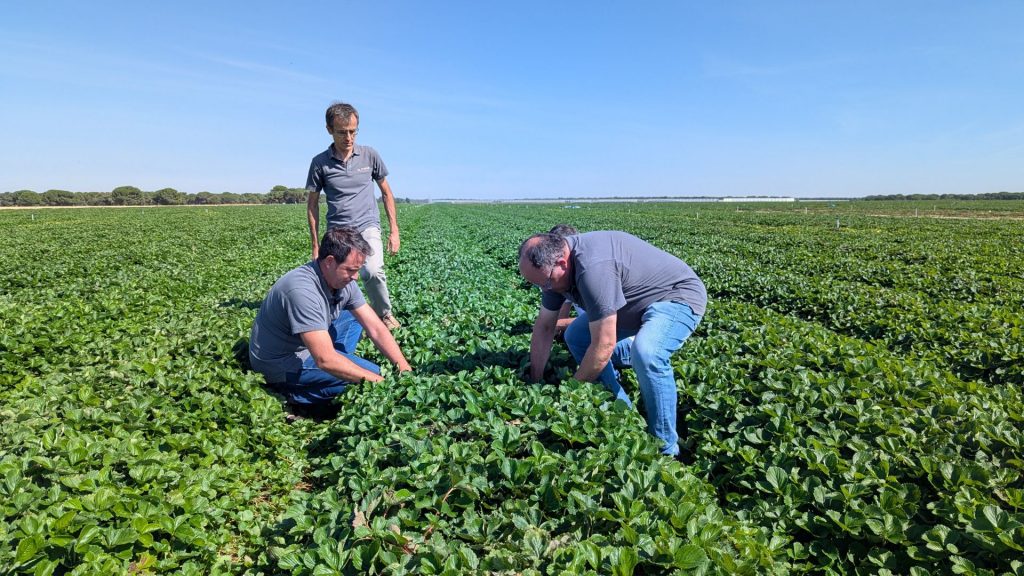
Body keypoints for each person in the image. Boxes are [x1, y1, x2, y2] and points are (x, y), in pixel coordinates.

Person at [519, 231, 707, 456]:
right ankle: (622, 412)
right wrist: (535, 380)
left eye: (546, 283)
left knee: (647, 354)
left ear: (562, 263)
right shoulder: (552, 276)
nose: (545, 290)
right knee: (576, 337)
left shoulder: (593, 268)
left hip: (676, 297)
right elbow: (545, 327)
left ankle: (665, 448)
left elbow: (603, 346)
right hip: (630, 306)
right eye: (539, 285)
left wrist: (570, 391)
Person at [250, 227, 412, 414]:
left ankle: (340, 365)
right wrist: (379, 381)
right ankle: (292, 394)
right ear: (329, 262)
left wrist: (403, 366)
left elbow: (375, 327)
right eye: (351, 270)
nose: (356, 277)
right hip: (281, 362)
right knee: (368, 379)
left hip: (309, 342)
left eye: (358, 270)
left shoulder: (343, 280)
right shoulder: (302, 291)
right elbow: (324, 359)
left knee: (353, 317)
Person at [306, 101, 402, 330]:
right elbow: (312, 205)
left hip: (367, 224)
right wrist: (316, 244)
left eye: (353, 131)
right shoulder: (319, 163)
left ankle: (384, 315)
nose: (348, 138)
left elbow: (386, 193)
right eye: (342, 132)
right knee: (336, 279)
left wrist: (394, 231)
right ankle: (334, 320)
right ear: (329, 129)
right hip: (338, 231)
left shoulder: (370, 155)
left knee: (372, 270)